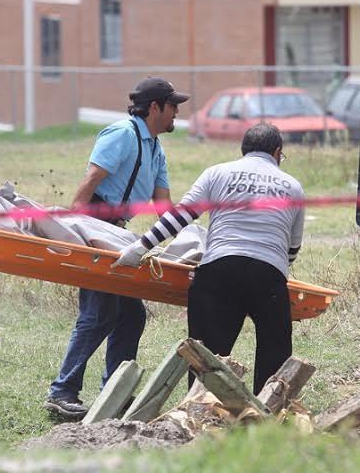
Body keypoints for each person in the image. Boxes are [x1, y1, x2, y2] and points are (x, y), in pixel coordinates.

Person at [114, 123, 304, 395]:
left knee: (207, 354)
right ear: (277, 152)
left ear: (244, 151)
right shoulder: (293, 187)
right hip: (268, 273)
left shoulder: (217, 173)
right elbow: (292, 250)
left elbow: (179, 217)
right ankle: (267, 416)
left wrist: (139, 248)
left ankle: (201, 410)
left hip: (219, 270)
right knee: (274, 350)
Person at [44, 77, 190, 419]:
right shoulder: (122, 133)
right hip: (94, 226)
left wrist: (189, 239)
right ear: (154, 107)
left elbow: (163, 205)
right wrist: (75, 232)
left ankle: (114, 392)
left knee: (130, 315)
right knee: (99, 314)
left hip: (116, 232)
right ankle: (62, 392)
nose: (177, 114)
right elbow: (91, 180)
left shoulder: (155, 147)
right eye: (173, 107)